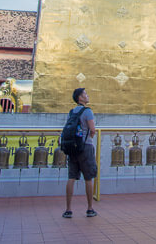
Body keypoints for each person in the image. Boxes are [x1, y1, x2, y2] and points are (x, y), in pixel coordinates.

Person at [63, 87, 98, 218]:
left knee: (71, 177)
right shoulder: (87, 111)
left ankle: (68, 209)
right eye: (85, 94)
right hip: (85, 147)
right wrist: (89, 138)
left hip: (72, 148)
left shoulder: (71, 112)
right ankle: (89, 208)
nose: (87, 96)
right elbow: (92, 129)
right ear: (80, 98)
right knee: (88, 178)